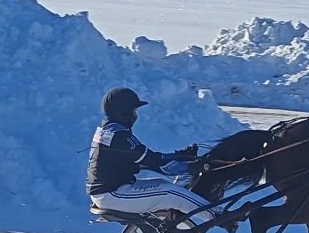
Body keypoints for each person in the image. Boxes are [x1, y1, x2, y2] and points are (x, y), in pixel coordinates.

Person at [85, 87, 219, 223]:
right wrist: (192, 167)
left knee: (163, 185)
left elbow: (150, 159)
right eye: (134, 111)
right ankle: (217, 216)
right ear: (124, 112)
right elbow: (161, 166)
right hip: (112, 194)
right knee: (170, 191)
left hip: (109, 192)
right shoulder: (120, 137)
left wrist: (178, 157)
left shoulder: (109, 131)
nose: (135, 115)